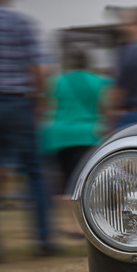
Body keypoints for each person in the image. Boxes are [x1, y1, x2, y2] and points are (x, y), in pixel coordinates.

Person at [0, 0, 57, 262]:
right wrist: (40, 102)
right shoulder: (20, 22)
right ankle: (45, 238)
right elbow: (38, 67)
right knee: (35, 171)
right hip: (16, 104)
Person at [42, 47, 111, 237]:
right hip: (89, 134)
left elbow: (48, 105)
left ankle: (70, 224)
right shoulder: (100, 81)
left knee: (66, 179)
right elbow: (106, 108)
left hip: (60, 135)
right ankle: (87, 223)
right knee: (90, 179)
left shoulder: (55, 82)